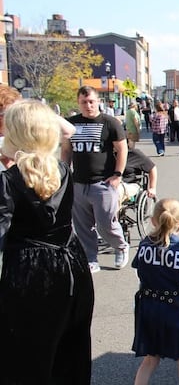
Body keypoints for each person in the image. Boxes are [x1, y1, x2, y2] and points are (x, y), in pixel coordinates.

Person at [0, 99, 95, 384]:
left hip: (29, 275)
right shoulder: (63, 171)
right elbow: (70, 132)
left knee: (27, 359)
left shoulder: (8, 181)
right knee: (71, 353)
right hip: (72, 268)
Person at [61, 85, 130, 274]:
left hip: (103, 183)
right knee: (83, 226)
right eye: (84, 102)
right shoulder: (71, 124)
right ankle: (91, 258)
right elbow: (66, 150)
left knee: (106, 223)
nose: (88, 105)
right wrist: (64, 173)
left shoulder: (110, 123)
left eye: (91, 101)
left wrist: (117, 174)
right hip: (79, 182)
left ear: (98, 101)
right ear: (78, 102)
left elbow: (122, 149)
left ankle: (121, 246)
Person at [131, 198, 179, 385]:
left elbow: (139, 270)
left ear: (153, 221)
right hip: (173, 307)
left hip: (148, 306)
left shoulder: (144, 245)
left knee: (150, 359)